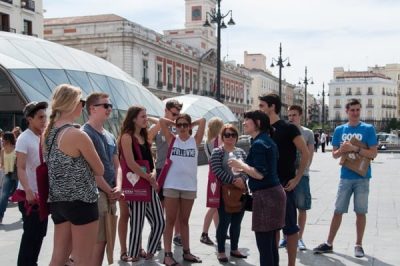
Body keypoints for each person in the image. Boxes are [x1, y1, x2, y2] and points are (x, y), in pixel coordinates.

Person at [44, 84, 104, 266]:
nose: (83, 106)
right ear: (72, 103)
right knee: (83, 260)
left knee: (58, 258)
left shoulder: (49, 133)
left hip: (58, 201)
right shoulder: (76, 134)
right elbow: (100, 169)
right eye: (82, 101)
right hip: (81, 201)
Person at [313, 99, 377, 258]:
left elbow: (373, 153)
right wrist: (343, 149)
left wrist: (354, 148)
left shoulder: (368, 129)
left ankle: (358, 245)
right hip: (345, 176)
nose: (355, 113)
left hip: (363, 177)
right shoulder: (340, 130)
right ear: (347, 111)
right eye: (352, 110)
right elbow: (334, 155)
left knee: (361, 212)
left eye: (357, 110)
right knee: (338, 210)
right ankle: (329, 243)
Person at [229, 110, 286, 266]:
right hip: (274, 194)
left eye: (247, 120)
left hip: (266, 196)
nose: (244, 122)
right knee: (270, 245)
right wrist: (243, 168)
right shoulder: (265, 140)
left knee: (264, 245)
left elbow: (260, 174)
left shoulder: (260, 143)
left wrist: (241, 165)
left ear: (258, 124)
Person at [258, 93, 309, 266]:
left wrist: (297, 178)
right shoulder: (262, 130)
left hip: (285, 185)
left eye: (262, 106)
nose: (260, 109)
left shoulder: (289, 128)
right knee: (271, 229)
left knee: (290, 227)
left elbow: (305, 152)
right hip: (265, 187)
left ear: (272, 107)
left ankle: (291, 264)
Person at [119, 106, 165, 261]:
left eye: (146, 116)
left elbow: (151, 161)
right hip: (138, 184)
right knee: (137, 223)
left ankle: (150, 251)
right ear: (133, 119)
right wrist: (148, 177)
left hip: (149, 183)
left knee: (159, 222)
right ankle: (133, 254)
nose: (146, 119)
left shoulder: (145, 136)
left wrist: (153, 174)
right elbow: (130, 163)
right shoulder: (127, 136)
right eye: (143, 117)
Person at [160, 114, 205, 266]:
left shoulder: (195, 140)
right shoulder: (173, 139)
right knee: (170, 221)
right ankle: (167, 254)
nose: (182, 128)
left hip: (189, 187)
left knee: (184, 221)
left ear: (190, 126)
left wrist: (190, 123)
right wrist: (175, 122)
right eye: (179, 125)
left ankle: (187, 252)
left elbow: (203, 120)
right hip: (171, 185)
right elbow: (161, 121)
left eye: (185, 125)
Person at [82, 92, 122, 265]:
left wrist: (118, 187)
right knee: (97, 242)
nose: (109, 109)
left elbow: (117, 165)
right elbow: (91, 170)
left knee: (106, 240)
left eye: (110, 106)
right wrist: (110, 190)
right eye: (105, 105)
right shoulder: (85, 133)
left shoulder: (110, 134)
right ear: (92, 108)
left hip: (111, 192)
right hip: (96, 193)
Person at [15, 101, 48, 266]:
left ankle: (32, 262)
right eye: (40, 117)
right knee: (30, 234)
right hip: (29, 196)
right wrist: (28, 190)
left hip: (42, 195)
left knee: (40, 233)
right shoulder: (24, 138)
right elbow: (20, 167)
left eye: (45, 116)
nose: (44, 120)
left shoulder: (43, 136)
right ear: (29, 119)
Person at [148, 99, 183, 248]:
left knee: (177, 205)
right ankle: (158, 237)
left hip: (178, 170)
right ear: (166, 110)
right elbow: (148, 138)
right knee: (160, 205)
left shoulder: (179, 126)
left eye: (178, 114)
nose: (176, 117)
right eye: (174, 114)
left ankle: (177, 235)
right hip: (162, 168)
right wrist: (159, 122)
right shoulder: (158, 126)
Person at [210, 124, 247, 263]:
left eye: (233, 135)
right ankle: (220, 251)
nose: (230, 137)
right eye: (227, 135)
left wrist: (242, 180)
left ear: (237, 137)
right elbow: (217, 170)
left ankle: (234, 249)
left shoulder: (241, 152)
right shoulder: (217, 152)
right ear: (222, 137)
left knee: (237, 222)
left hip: (240, 191)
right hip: (225, 191)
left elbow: (247, 168)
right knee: (224, 222)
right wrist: (233, 180)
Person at [288, 105, 315, 250]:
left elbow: (310, 155)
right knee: (287, 208)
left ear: (300, 116)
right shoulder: (284, 131)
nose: (291, 118)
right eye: (289, 115)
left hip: (302, 175)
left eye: (294, 115)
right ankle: (287, 237)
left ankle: (300, 238)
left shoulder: (308, 133)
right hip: (287, 174)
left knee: (302, 207)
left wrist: (301, 172)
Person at [201, 117, 224, 246]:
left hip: (211, 175)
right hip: (219, 175)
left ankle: (219, 230)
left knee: (215, 205)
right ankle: (204, 233)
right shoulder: (219, 140)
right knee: (213, 206)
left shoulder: (206, 141)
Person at [0, 132, 17, 224]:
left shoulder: (16, 149)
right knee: (4, 195)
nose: (2, 141)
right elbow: (2, 164)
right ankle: (0, 216)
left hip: (17, 174)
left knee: (22, 195)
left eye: (4, 139)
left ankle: (26, 213)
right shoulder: (2, 150)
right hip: (7, 174)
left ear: (8, 139)